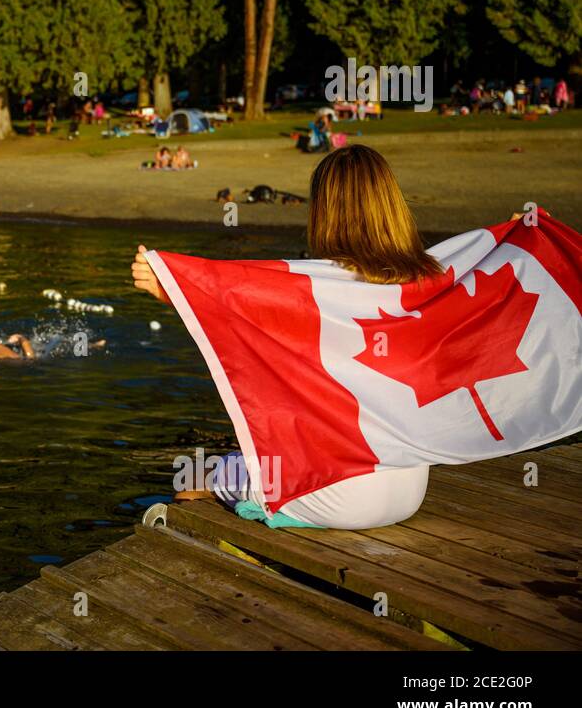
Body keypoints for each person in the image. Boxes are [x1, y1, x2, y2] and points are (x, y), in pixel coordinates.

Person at [131, 145, 440, 529]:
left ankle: (233, 555)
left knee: (194, 477)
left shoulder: (309, 286)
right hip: (409, 491)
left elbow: (232, 312)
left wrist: (169, 290)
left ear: (325, 212)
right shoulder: (428, 283)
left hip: (338, 494)